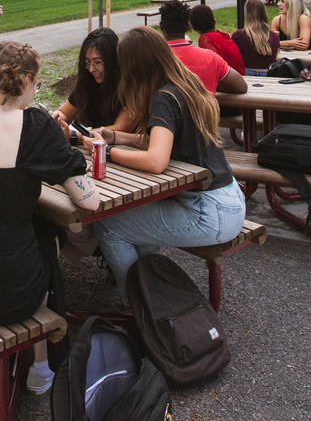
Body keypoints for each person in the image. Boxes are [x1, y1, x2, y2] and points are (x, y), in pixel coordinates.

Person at [0, 42, 100, 393]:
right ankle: (42, 368)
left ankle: (39, 365)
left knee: (23, 234)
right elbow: (90, 201)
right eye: (36, 84)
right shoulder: (34, 124)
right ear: (25, 79)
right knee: (45, 238)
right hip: (9, 292)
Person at [83, 27, 246, 292]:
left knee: (108, 224)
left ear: (137, 66)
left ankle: (139, 302)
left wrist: (106, 151)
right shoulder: (186, 85)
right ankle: (156, 294)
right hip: (228, 200)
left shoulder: (164, 98)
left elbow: (155, 161)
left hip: (209, 212)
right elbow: (158, 143)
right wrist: (115, 136)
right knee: (133, 219)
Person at [53, 28, 139, 135]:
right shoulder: (88, 82)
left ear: (113, 60)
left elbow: (120, 128)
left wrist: (77, 135)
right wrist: (56, 119)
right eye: (87, 62)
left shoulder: (131, 86)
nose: (91, 69)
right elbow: (64, 112)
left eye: (97, 62)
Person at [157, 1, 247, 94]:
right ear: (188, 26)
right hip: (203, 107)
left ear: (161, 26)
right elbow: (241, 86)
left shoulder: (152, 57)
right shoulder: (210, 57)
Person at [231, 0, 281, 75]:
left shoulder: (238, 36)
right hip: (269, 75)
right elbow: (275, 58)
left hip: (246, 74)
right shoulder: (274, 36)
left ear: (246, 14)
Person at [190, 4, 244, 74]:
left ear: (194, 26)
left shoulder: (205, 39)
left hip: (229, 79)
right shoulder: (222, 35)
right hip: (239, 75)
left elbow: (213, 65)